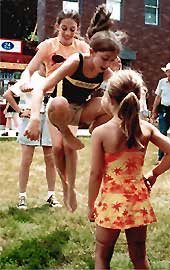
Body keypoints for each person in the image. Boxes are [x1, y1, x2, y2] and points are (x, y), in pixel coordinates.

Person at [24, 4, 123, 212]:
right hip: (59, 108)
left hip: (81, 110)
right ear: (92, 52)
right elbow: (42, 87)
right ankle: (66, 186)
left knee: (112, 100)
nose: (106, 64)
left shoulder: (105, 71)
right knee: (59, 147)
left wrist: (133, 123)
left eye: (111, 60)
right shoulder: (74, 60)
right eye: (104, 59)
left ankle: (98, 133)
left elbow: (123, 96)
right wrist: (34, 118)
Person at [87, 69, 170, 269]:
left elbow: (95, 174)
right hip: (138, 200)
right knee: (139, 257)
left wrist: (90, 205)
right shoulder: (146, 128)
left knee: (102, 256)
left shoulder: (101, 132)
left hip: (111, 201)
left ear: (110, 99)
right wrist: (154, 173)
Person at [18, 9, 90, 212]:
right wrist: (25, 82)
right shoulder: (48, 46)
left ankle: (70, 188)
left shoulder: (83, 47)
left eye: (72, 29)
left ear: (78, 30)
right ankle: (65, 187)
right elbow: (29, 69)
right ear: (57, 26)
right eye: (64, 28)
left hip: (75, 101)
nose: (68, 33)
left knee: (68, 149)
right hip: (53, 99)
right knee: (57, 149)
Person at [3, 67, 61, 209]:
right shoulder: (30, 77)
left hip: (49, 118)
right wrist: (20, 111)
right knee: (26, 160)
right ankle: (22, 196)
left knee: (50, 159)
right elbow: (8, 94)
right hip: (31, 118)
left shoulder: (57, 76)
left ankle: (51, 195)